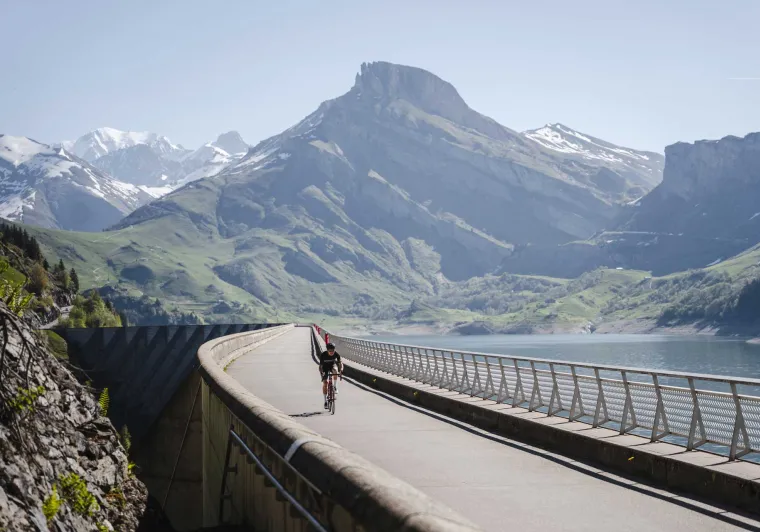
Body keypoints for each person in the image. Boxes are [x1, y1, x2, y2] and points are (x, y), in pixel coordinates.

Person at [319, 342, 342, 409]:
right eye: (330, 351)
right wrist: (322, 374)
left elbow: (340, 363)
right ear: (327, 350)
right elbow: (320, 366)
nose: (332, 352)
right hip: (324, 368)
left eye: (333, 350)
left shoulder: (336, 354)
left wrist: (340, 371)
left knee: (335, 371)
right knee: (325, 383)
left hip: (332, 366)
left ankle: (335, 386)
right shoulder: (323, 355)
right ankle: (325, 401)